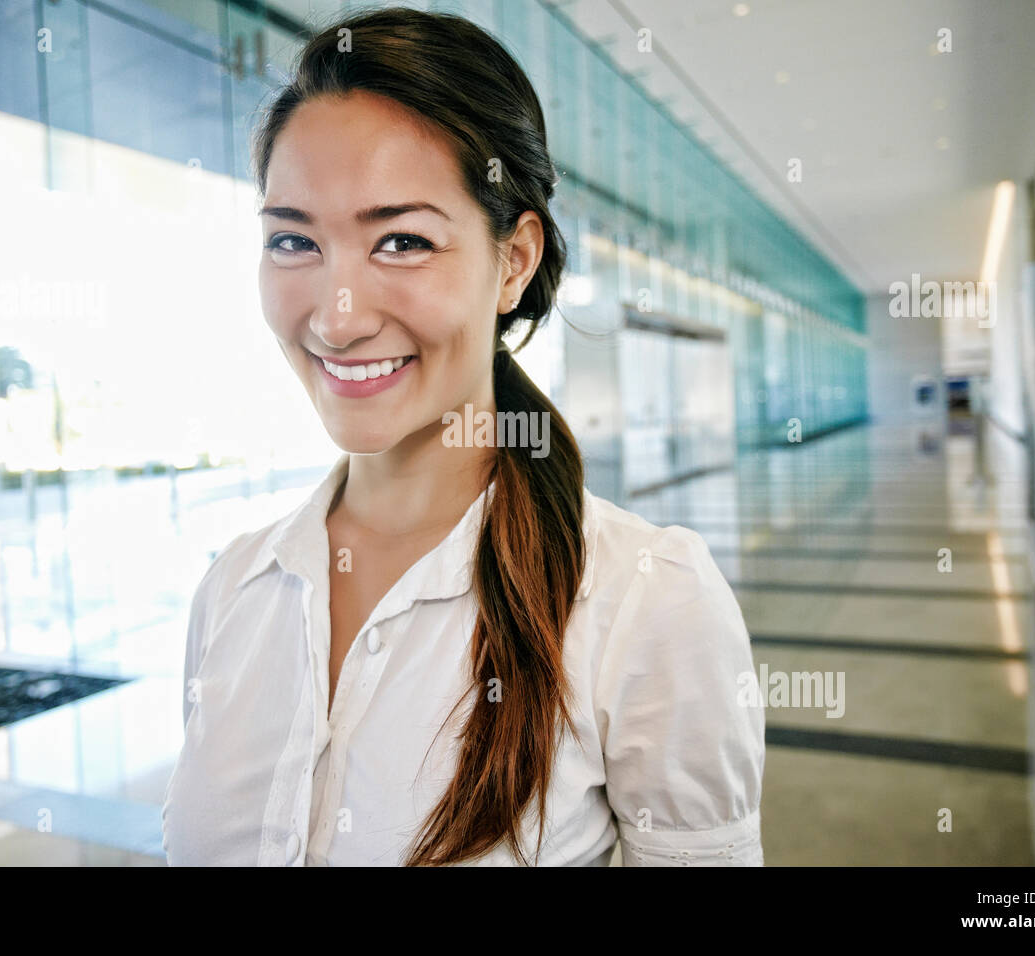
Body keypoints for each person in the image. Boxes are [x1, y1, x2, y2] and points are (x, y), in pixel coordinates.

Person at [161, 6, 764, 867]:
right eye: (294, 240)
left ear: (513, 260)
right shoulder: (235, 591)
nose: (337, 318)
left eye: (402, 240)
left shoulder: (645, 603)